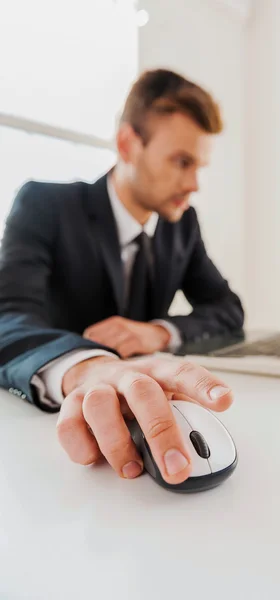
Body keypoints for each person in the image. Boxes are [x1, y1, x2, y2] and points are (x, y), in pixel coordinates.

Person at [0, 69, 244, 486]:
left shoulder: (181, 225)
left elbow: (227, 309)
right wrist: (87, 367)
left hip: (155, 406)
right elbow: (7, 316)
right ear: (128, 144)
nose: (194, 184)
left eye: (199, 166)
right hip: (43, 444)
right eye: (182, 161)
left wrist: (159, 333)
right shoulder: (46, 205)